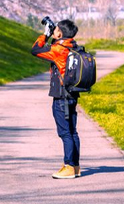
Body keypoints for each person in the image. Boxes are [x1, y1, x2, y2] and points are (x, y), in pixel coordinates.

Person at [30, 18, 81, 179]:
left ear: (60, 33)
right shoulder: (72, 46)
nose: (54, 30)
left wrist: (44, 35)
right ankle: (75, 166)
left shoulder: (59, 50)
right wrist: (53, 37)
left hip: (61, 97)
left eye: (56, 29)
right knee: (72, 132)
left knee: (65, 133)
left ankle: (68, 167)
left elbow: (36, 50)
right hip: (72, 94)